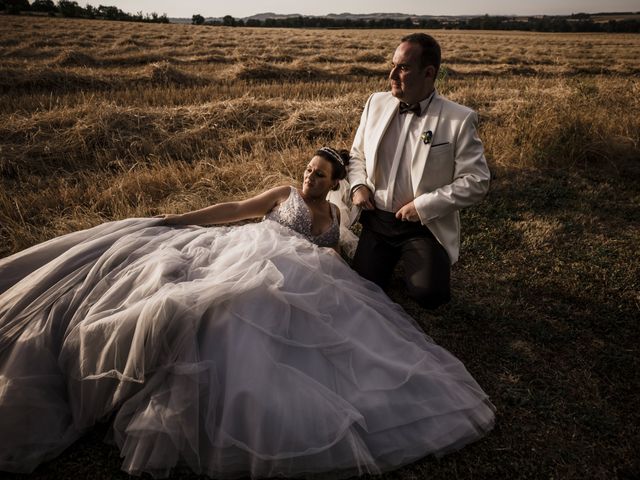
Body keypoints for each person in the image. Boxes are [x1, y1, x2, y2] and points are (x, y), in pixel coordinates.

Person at [0, 147, 494, 478]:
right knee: (205, 300)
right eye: (306, 169)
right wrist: (175, 220)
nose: (308, 177)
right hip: (249, 252)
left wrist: (341, 271)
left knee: (301, 324)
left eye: (319, 174)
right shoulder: (283, 195)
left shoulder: (337, 217)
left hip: (300, 273)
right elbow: (234, 207)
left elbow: (335, 252)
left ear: (335, 182)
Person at [348, 33, 491, 309]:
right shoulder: (375, 103)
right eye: (393, 65)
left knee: (430, 296)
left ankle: (419, 263)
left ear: (428, 73)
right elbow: (356, 154)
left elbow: (477, 181)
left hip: (422, 226)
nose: (392, 74)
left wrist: (423, 206)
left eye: (403, 68)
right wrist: (358, 186)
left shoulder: (458, 119)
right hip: (376, 220)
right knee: (362, 286)